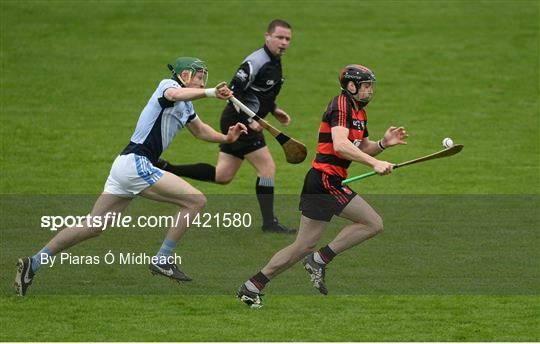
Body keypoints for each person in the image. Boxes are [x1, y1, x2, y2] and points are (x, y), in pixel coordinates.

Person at [14, 57, 247, 296]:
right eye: (199, 78)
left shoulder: (187, 105)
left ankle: (34, 262)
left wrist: (226, 139)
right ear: (185, 75)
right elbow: (174, 96)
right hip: (137, 162)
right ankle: (162, 258)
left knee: (94, 226)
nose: (202, 83)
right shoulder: (167, 85)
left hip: (125, 166)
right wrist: (210, 92)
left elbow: (199, 130)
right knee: (196, 201)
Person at [236, 64, 408, 307]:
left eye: (371, 86)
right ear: (351, 86)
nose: (370, 91)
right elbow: (339, 145)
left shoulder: (359, 112)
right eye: (366, 85)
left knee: (302, 245)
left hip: (322, 181)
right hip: (326, 179)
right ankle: (319, 259)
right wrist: (374, 163)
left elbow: (359, 146)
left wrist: (383, 144)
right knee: (372, 223)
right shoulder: (340, 105)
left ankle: (252, 286)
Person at [156, 19, 295, 234]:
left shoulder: (274, 60)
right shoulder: (256, 61)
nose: (284, 42)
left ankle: (167, 168)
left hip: (243, 120)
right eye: (280, 37)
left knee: (223, 176)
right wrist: (250, 120)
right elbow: (233, 92)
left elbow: (259, 91)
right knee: (267, 168)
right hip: (239, 121)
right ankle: (269, 223)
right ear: (267, 36)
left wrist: (274, 109)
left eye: (287, 39)